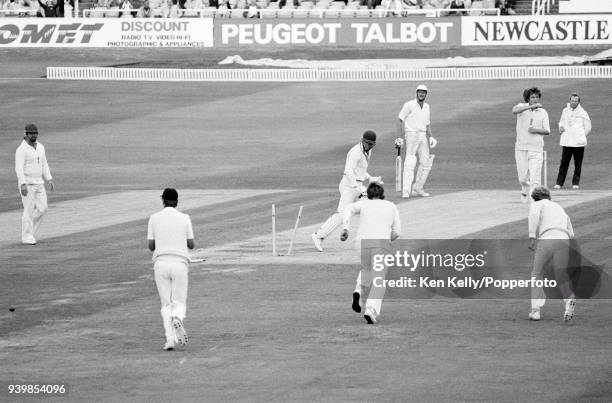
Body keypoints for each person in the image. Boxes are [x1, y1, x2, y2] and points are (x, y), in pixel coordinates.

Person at [311, 130, 382, 252]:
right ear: (363, 141)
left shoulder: (368, 151)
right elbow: (349, 170)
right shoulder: (355, 152)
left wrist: (370, 178)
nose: (370, 147)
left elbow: (360, 170)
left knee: (370, 206)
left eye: (372, 145)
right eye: (368, 144)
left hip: (358, 185)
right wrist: (355, 186)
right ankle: (318, 236)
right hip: (349, 186)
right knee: (342, 214)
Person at [340, 182, 401, 324]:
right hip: (380, 243)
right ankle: (371, 310)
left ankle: (358, 291)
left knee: (366, 269)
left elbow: (348, 208)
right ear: (382, 194)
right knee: (379, 280)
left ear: (368, 194)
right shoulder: (391, 206)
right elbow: (397, 232)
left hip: (361, 243)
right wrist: (388, 239)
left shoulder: (363, 204)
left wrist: (346, 227)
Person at [147, 188, 195, 351]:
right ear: (177, 201)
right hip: (180, 263)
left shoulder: (154, 218)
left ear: (163, 200)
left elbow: (151, 246)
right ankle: (178, 318)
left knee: (166, 303)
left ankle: (169, 341)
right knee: (179, 301)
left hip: (161, 263)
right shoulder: (184, 218)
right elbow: (191, 244)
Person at [527, 186, 576, 322]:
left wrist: (532, 236)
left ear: (534, 197)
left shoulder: (537, 204)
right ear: (548, 196)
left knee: (536, 274)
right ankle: (568, 298)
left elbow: (534, 216)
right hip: (564, 239)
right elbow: (570, 231)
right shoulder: (558, 207)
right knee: (561, 273)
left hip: (547, 238)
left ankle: (535, 310)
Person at [15, 123, 54, 245]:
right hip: (27, 184)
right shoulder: (21, 150)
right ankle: (26, 237)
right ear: (25, 134)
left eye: (35, 133)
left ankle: (30, 233)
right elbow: (19, 168)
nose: (34, 135)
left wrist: (49, 178)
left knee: (43, 209)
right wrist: (22, 184)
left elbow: (44, 163)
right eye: (31, 133)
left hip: (39, 183)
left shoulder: (41, 147)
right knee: (28, 210)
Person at [398, 84, 437, 198]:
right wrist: (400, 137)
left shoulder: (427, 107)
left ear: (426, 94)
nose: (421, 94)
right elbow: (400, 119)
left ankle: (417, 188)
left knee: (426, 163)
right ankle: (406, 191)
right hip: (411, 135)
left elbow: (427, 123)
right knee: (410, 162)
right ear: (416, 93)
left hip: (422, 135)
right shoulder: (409, 105)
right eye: (420, 92)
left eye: (424, 92)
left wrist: (431, 136)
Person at [512, 87, 550, 203]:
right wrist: (530, 107)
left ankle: (535, 202)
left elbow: (547, 131)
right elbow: (514, 111)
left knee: (535, 179)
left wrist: (535, 130)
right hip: (521, 148)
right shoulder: (521, 107)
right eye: (532, 97)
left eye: (537, 97)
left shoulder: (543, 112)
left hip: (536, 148)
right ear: (528, 98)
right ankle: (524, 187)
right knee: (523, 178)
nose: (535, 99)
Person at [554, 93, 592, 190]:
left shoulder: (583, 112)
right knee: (564, 163)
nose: (574, 102)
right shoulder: (565, 111)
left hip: (579, 143)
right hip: (567, 141)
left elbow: (588, 127)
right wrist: (561, 127)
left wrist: (581, 135)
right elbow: (561, 121)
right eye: (572, 100)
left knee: (578, 163)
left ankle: (575, 183)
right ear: (570, 101)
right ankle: (559, 183)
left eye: (576, 101)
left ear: (578, 102)